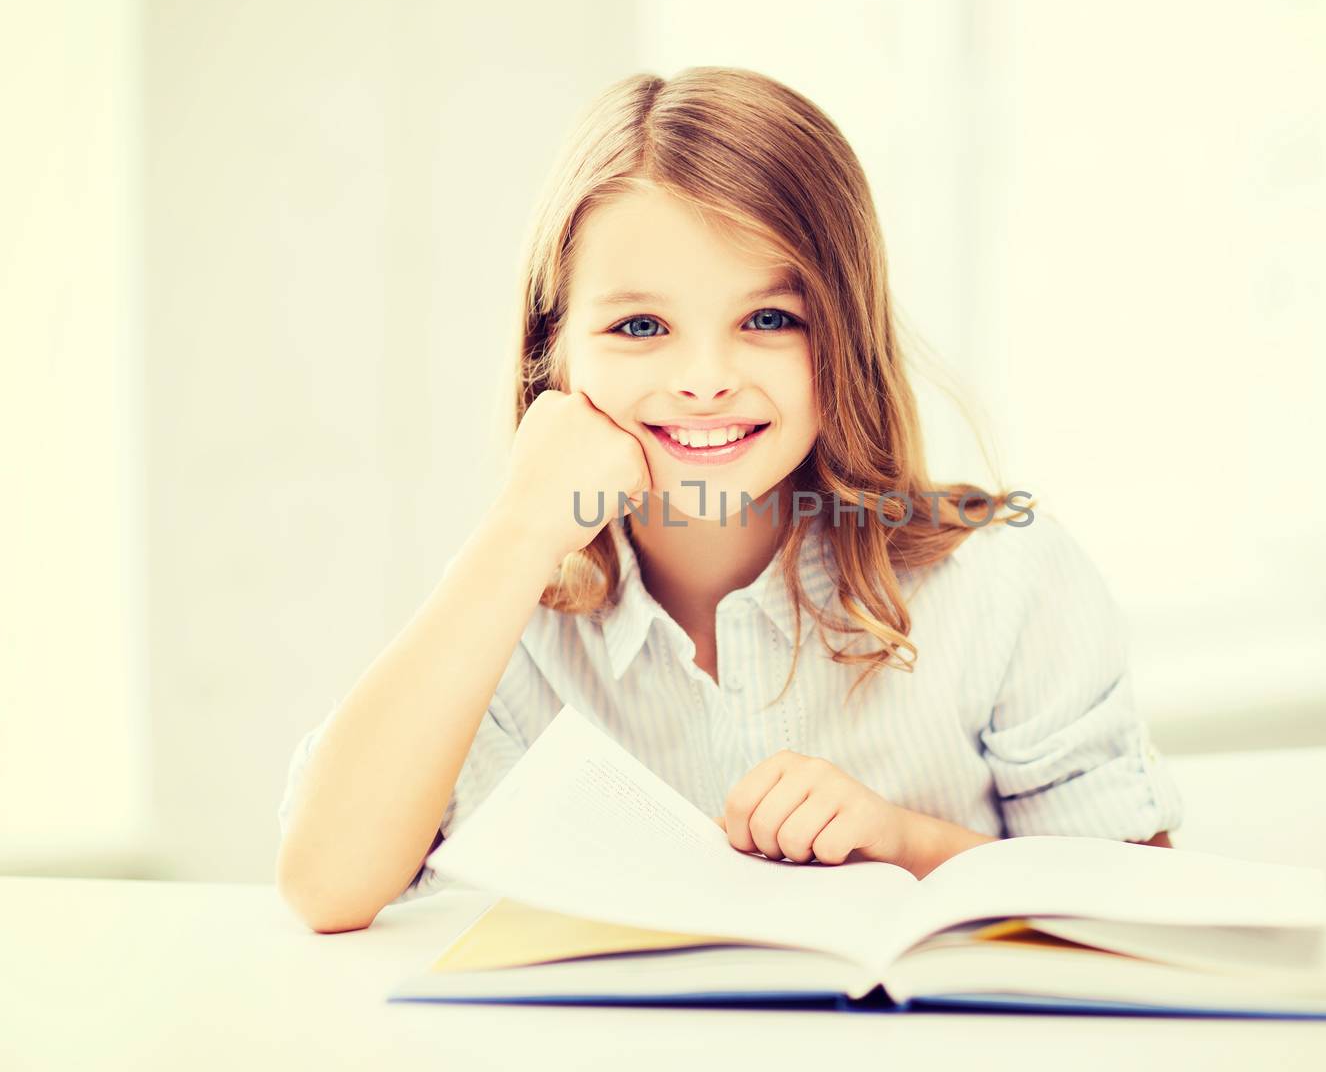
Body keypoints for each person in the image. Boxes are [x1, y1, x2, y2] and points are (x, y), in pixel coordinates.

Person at [275, 66, 1183, 934]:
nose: (705, 379)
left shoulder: (1006, 582)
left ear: (845, 337)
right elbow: (326, 882)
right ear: (554, 352)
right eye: (640, 327)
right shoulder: (508, 614)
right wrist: (519, 523)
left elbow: (1148, 915)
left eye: (769, 320)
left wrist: (904, 845)